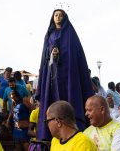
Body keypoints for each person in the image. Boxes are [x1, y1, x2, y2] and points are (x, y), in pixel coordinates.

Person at [36, 9, 94, 141]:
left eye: (61, 15)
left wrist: (62, 54)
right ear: (52, 17)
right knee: (52, 100)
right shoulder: (49, 35)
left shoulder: (70, 34)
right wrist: (52, 54)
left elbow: (74, 54)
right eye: (56, 15)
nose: (58, 17)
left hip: (68, 74)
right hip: (52, 75)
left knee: (69, 98)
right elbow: (44, 56)